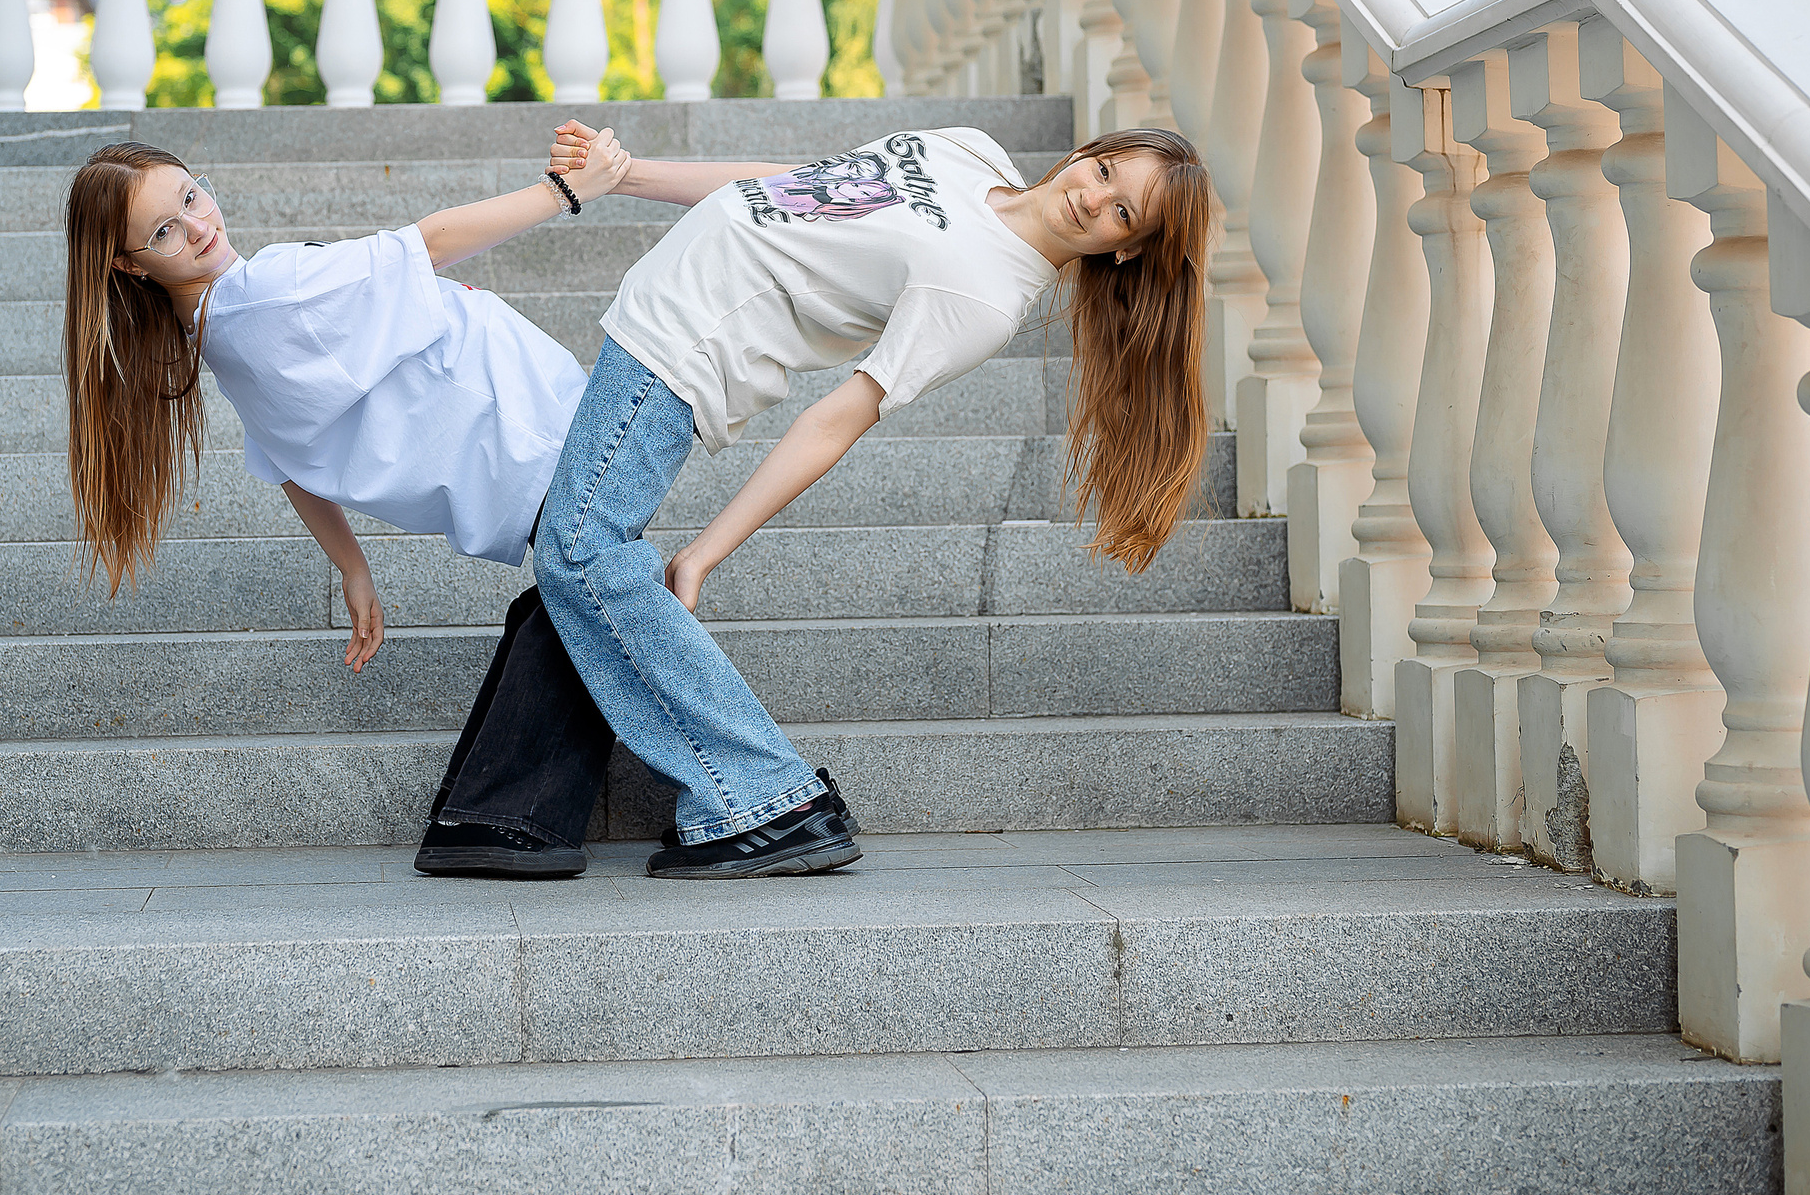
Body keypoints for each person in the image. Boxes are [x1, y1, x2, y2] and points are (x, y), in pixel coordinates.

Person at [418, 123, 1215, 882]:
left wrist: (704, 552)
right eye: (1106, 172)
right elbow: (789, 188)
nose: (1092, 197)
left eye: (1121, 212)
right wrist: (627, 178)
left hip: (686, 350)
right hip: (660, 317)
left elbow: (836, 421)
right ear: (1087, 152)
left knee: (581, 548)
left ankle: (765, 795)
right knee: (578, 551)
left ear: (1128, 248)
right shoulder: (968, 153)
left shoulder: (985, 296)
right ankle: (512, 813)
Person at [60, 130, 634, 682]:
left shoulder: (218, 336)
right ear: (129, 265)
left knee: (606, 621)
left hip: (524, 465)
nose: (197, 225)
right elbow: (427, 245)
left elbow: (289, 464)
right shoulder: (269, 288)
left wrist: (352, 568)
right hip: (549, 438)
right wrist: (565, 191)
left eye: (191, 195)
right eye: (164, 231)